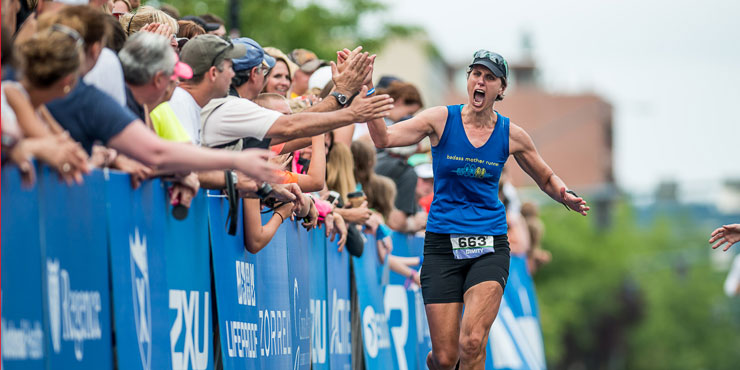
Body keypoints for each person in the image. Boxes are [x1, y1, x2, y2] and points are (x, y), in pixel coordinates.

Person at [366, 49, 589, 370]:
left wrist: (564, 194)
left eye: (489, 77)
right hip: (442, 245)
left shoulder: (512, 135)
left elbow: (545, 176)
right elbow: (384, 138)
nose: (480, 82)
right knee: (445, 358)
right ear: (468, 80)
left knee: (471, 342)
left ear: (501, 89)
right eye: (476, 75)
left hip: (489, 245)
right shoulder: (441, 119)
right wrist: (368, 92)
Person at [40, 6, 281, 186]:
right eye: (172, 72)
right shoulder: (88, 97)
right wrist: (236, 163)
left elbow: (152, 153)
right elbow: (156, 152)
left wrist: (113, 158)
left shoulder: (29, 86)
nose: (177, 82)